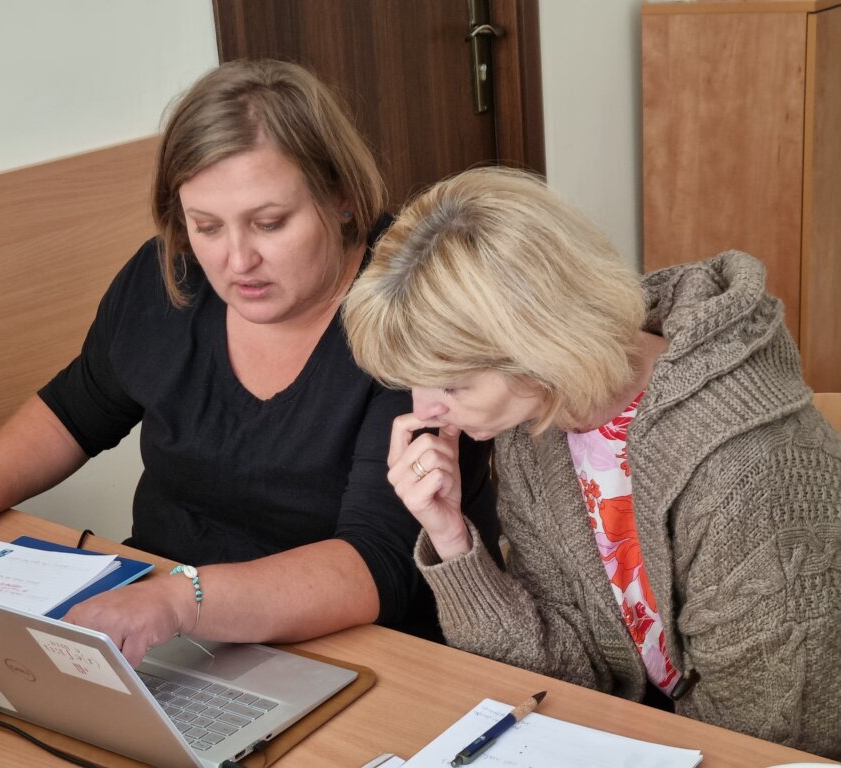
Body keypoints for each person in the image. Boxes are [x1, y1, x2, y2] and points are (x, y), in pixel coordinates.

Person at [0, 59, 500, 664]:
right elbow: (76, 407)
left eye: (268, 223)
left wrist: (181, 601)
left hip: (348, 648)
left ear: (341, 197)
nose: (236, 261)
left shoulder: (409, 307)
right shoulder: (171, 277)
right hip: (162, 617)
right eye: (207, 226)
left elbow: (377, 564)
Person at [341, 166, 841, 758]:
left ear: (539, 343)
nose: (428, 414)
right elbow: (563, 672)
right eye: (415, 386)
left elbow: (775, 740)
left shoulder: (752, 468)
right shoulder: (539, 423)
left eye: (451, 386)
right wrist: (451, 538)